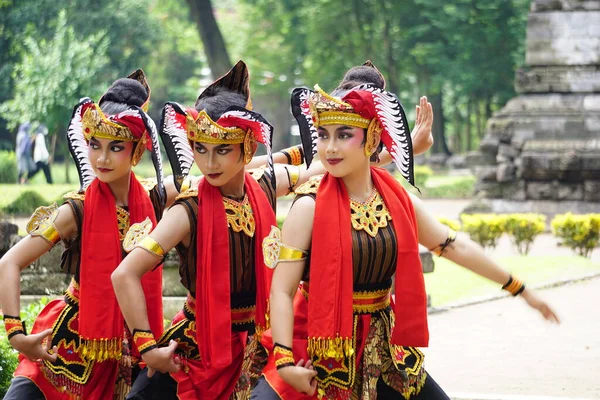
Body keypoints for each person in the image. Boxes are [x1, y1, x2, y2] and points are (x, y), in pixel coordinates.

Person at [111, 60, 435, 400]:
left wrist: (404, 148)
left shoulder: (265, 185)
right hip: (199, 345)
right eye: (201, 150)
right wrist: (147, 348)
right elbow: (124, 274)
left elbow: (329, 166)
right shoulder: (188, 206)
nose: (209, 164)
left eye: (223, 150)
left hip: (257, 345)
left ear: (247, 148)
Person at [251, 62, 559, 400]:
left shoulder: (397, 200)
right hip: (317, 346)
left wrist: (520, 289)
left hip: (384, 351)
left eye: (343, 135)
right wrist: (284, 363)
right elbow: (281, 291)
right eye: (324, 135)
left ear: (370, 137)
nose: (330, 148)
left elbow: (453, 246)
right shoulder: (308, 206)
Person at [0, 70, 166, 400]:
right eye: (95, 145)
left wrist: (291, 162)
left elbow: (220, 177)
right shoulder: (76, 211)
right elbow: (9, 262)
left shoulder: (155, 199)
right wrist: (16, 335)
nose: (101, 158)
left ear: (136, 151)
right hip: (69, 344)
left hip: (135, 343)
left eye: (115, 147)